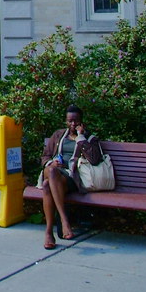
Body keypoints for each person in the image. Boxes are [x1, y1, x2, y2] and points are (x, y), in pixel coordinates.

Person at [39, 103, 102, 249]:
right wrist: (51, 162)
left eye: (76, 121)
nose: (72, 124)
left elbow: (95, 160)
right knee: (51, 173)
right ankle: (62, 223)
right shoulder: (58, 135)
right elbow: (45, 156)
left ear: (82, 121)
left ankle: (51, 230)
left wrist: (81, 138)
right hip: (55, 173)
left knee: (47, 184)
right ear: (66, 121)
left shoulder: (90, 138)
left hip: (73, 178)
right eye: (69, 121)